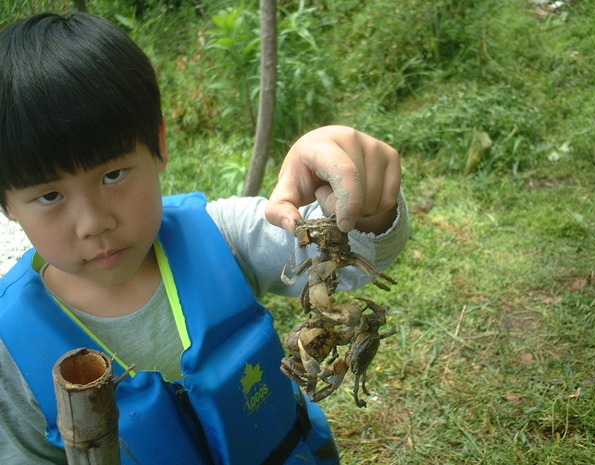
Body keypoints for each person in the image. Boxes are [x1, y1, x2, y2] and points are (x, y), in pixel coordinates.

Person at [0, 11, 409, 465]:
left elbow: (360, 253)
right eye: (50, 195)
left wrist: (363, 201)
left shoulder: (224, 236)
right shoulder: (10, 350)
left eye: (113, 174)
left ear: (158, 145)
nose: (93, 223)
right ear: (7, 203)